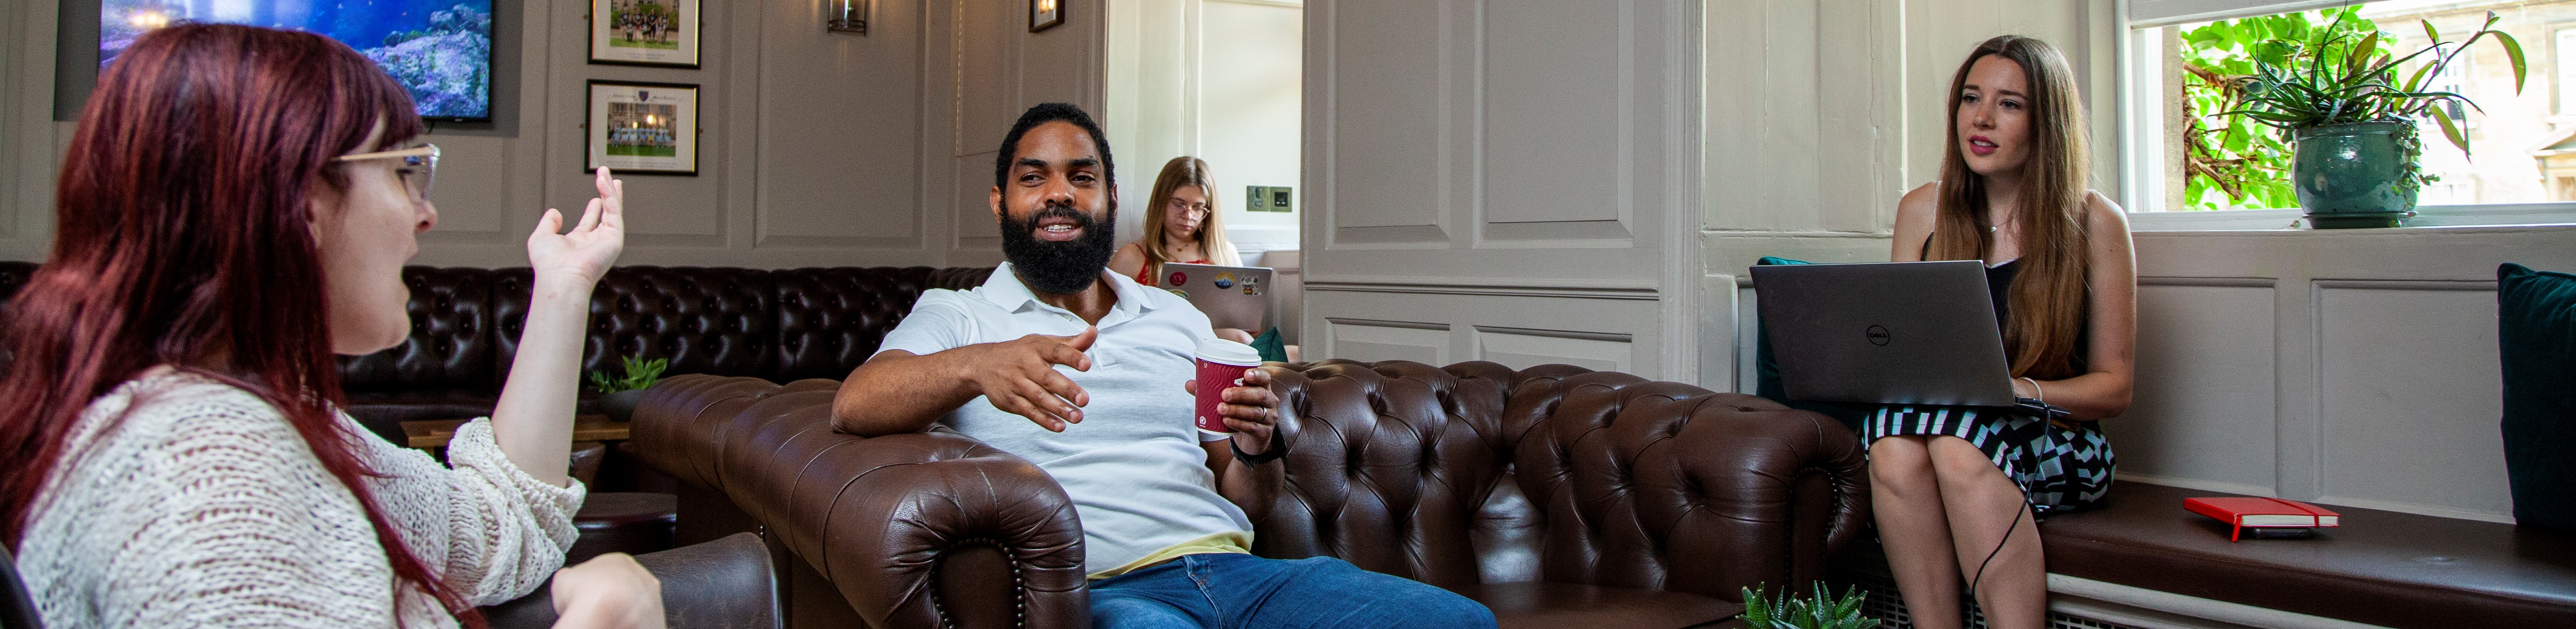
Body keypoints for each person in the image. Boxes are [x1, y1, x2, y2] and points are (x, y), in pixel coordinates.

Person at [0, 25, 660, 629]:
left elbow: (498, 526)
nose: (425, 212)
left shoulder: (267, 416)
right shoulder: (204, 482)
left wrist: (565, 287)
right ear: (298, 202)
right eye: (405, 170)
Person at [830, 103, 1493, 629]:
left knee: (1461, 619)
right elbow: (855, 402)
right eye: (1033, 178)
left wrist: (1258, 448)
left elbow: (1249, 498)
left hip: (1241, 573)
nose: (1058, 194)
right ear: (1000, 201)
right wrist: (977, 366)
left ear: (1109, 198)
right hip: (1102, 592)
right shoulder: (961, 315)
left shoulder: (1177, 317)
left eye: (1081, 177)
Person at [1873, 35, 2135, 629]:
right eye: (1970, 99)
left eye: (2008, 104)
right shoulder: (1921, 212)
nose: (1981, 118)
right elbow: (1898, 356)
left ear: (2045, 123)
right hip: (1948, 426)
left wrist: (2016, 390)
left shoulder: (2095, 222)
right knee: (1891, 444)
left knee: (1957, 445)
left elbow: (2114, 388)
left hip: (2059, 436)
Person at [1109, 157, 1255, 345]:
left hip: (1215, 349)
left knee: (1245, 340)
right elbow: (1109, 323)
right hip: (1156, 346)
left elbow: (1246, 323)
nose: (1188, 216)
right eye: (1179, 205)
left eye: (1198, 208)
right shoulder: (1132, 257)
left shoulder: (1226, 253)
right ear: (1160, 203)